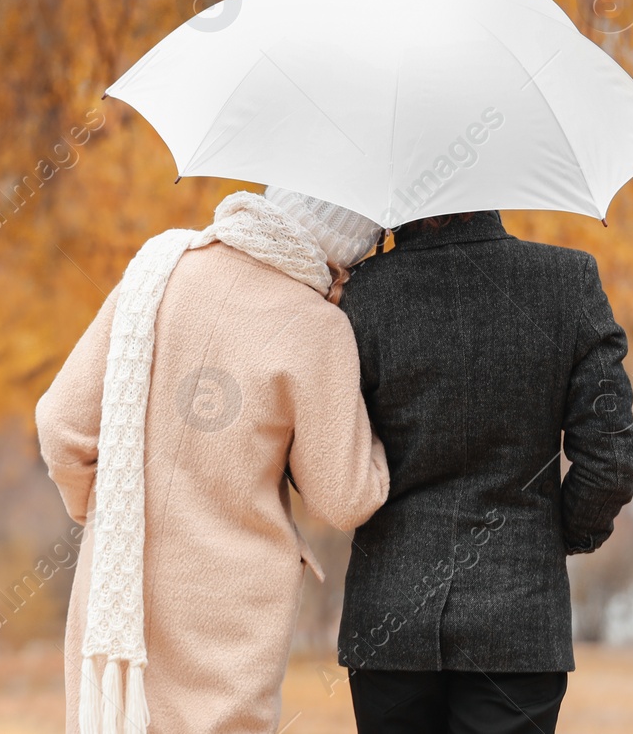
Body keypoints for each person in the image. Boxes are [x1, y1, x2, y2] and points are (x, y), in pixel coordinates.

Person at [36, 186, 391, 734]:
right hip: (229, 615)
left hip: (114, 600)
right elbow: (346, 497)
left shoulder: (159, 271)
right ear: (347, 247)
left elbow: (62, 425)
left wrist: (114, 518)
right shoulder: (318, 329)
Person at [336, 211, 633, 734]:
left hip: (389, 620)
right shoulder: (568, 281)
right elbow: (611, 456)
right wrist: (553, 538)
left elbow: (327, 462)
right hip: (519, 621)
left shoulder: (359, 296)